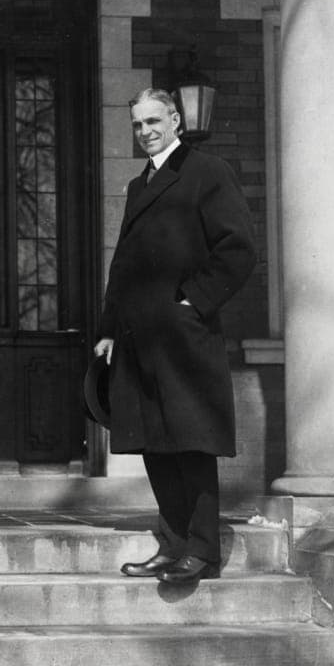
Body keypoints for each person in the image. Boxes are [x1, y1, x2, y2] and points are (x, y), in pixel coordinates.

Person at [96, 88, 255, 585]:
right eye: (138, 125)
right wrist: (106, 330)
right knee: (154, 441)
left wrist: (192, 303)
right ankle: (173, 545)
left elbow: (238, 249)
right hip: (138, 336)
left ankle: (203, 552)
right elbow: (122, 266)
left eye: (154, 122)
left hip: (184, 337)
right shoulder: (138, 184)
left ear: (176, 120)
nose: (146, 132)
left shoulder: (207, 172)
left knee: (191, 440)